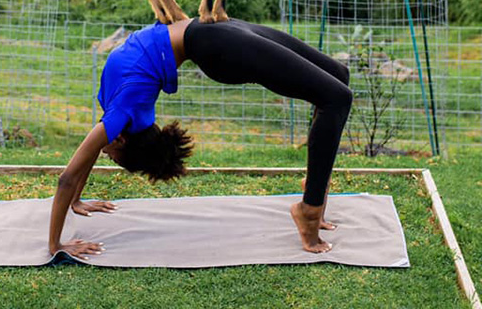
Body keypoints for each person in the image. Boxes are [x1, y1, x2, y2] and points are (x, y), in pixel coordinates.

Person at [48, 18, 353, 259]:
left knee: (338, 76)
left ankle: (314, 187)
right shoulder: (123, 116)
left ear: (121, 141)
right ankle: (310, 209)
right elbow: (80, 166)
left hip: (213, 33)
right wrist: (75, 200)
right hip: (214, 42)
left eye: (111, 157)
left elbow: (68, 177)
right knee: (336, 98)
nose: (104, 153)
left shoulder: (119, 116)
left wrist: (55, 245)